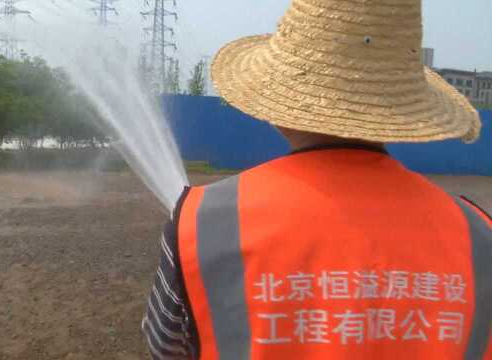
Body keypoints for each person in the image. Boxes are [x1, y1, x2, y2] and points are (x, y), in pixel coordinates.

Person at [141, 0, 491, 359]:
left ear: (278, 107)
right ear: (402, 112)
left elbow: (164, 348)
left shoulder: (201, 223)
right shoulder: (479, 237)